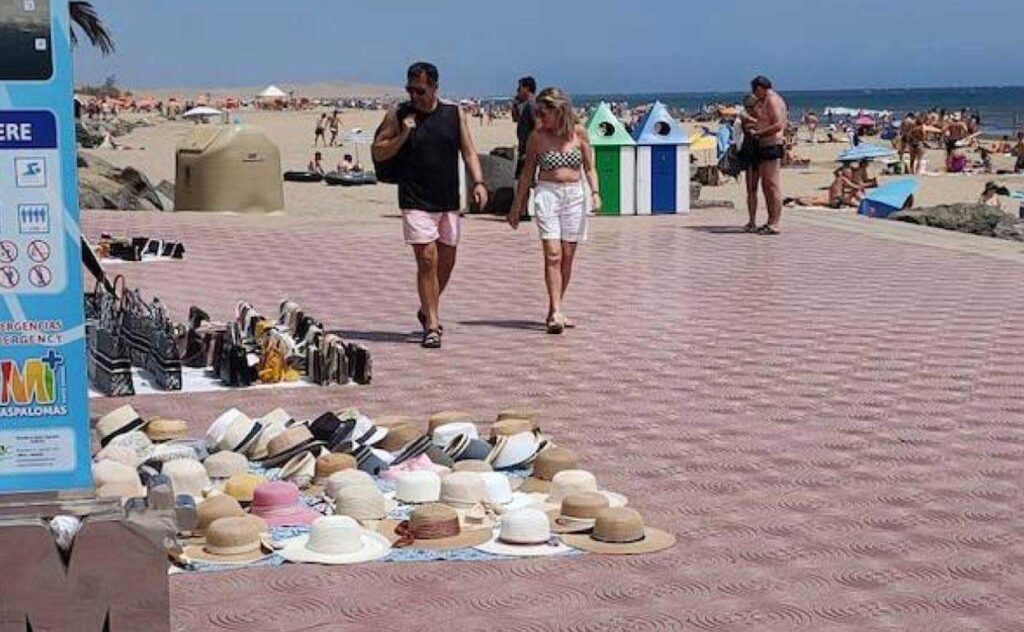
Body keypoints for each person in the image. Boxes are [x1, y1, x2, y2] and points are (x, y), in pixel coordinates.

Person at [371, 62, 487, 349]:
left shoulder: (453, 113)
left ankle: (426, 308)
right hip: (415, 199)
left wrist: (479, 183)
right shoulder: (398, 115)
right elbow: (378, 150)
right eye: (410, 90)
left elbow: (469, 151)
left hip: (448, 199)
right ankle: (433, 325)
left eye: (420, 90)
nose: (415, 96)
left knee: (447, 262)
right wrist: (403, 136)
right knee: (427, 259)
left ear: (434, 87)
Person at [508, 87, 599, 334]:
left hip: (574, 196)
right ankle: (557, 311)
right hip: (547, 193)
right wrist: (517, 205)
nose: (538, 116)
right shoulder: (537, 137)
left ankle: (555, 307)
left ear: (559, 111)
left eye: (543, 112)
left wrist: (595, 192)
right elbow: (527, 173)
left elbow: (590, 167)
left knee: (567, 255)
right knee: (553, 254)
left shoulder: (579, 133)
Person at [748, 76, 788, 234]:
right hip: (765, 145)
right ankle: (770, 220)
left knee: (772, 184)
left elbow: (778, 124)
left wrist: (759, 133)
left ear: (760, 88)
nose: (754, 94)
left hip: (772, 144)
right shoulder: (764, 101)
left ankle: (775, 223)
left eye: (754, 91)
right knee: (766, 185)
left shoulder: (772, 100)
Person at [784, 166, 862, 208]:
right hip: (837, 202)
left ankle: (796, 199)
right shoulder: (842, 179)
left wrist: (841, 168)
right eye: (849, 174)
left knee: (817, 199)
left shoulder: (838, 179)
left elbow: (835, 172)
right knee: (853, 194)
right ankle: (861, 204)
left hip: (834, 200)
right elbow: (855, 187)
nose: (851, 175)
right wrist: (864, 185)